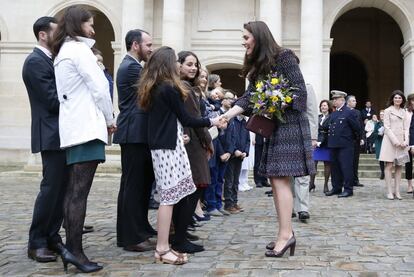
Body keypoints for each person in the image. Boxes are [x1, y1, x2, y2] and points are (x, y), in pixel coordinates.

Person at [223, 21, 314, 257]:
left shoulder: (284, 57)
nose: (243, 42)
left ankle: (286, 235)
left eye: (246, 37)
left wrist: (273, 101)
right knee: (275, 180)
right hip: (275, 126)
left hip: (290, 125)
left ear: (258, 36)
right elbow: (249, 97)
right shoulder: (258, 65)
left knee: (280, 179)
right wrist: (227, 115)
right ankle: (284, 233)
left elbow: (300, 93)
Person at [138, 46, 224, 265]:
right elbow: (187, 119)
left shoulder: (155, 86)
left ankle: (164, 246)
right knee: (168, 198)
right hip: (168, 148)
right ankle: (162, 248)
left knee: (172, 195)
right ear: (168, 64)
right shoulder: (168, 88)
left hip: (164, 145)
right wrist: (212, 121)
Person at [51, 5, 116, 273]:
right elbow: (100, 88)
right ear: (79, 25)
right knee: (79, 193)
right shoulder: (79, 51)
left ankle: (72, 249)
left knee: (73, 192)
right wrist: (110, 119)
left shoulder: (65, 51)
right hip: (86, 128)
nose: (93, 29)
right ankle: (75, 251)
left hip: (75, 128)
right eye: (90, 24)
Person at [22, 16, 67, 263]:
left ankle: (52, 236)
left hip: (61, 134)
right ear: (43, 35)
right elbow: (52, 100)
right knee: (50, 190)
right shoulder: (35, 62)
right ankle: (36, 241)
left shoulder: (51, 60)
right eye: (56, 32)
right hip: (50, 133)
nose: (60, 36)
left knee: (61, 190)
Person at [113, 29, 156, 252]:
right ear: (135, 45)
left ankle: (140, 228)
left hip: (140, 133)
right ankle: (130, 237)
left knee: (142, 186)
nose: (151, 48)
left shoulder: (136, 66)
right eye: (148, 45)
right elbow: (151, 94)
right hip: (133, 133)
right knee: (133, 187)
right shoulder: (130, 68)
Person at [173, 50, 213, 253]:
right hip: (192, 142)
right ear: (178, 65)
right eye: (189, 64)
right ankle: (179, 237)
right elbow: (196, 120)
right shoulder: (185, 89)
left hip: (189, 140)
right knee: (194, 188)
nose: (193, 68)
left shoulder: (186, 87)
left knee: (190, 190)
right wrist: (209, 142)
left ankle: (181, 231)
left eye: (195, 65)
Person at [325, 90, 361, 198]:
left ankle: (348, 189)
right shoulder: (334, 113)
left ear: (342, 100)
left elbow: (357, 128)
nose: (334, 101)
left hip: (345, 145)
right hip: (333, 144)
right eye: (333, 99)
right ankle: (336, 187)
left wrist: (351, 140)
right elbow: (327, 127)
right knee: (335, 168)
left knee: (346, 167)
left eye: (336, 99)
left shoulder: (349, 112)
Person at [293, 83, 318, 223]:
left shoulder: (306, 87)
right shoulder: (276, 85)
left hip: (303, 134)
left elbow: (312, 112)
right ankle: (288, 207)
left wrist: (313, 136)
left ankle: (303, 208)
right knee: (285, 175)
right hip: (283, 134)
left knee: (303, 173)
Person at [379, 90, 409, 200]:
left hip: (402, 142)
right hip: (390, 141)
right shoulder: (387, 111)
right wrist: (395, 141)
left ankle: (397, 191)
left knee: (399, 166)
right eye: (396, 98)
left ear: (402, 100)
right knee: (389, 165)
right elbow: (387, 127)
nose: (397, 100)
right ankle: (389, 191)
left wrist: (406, 141)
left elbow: (406, 128)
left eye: (400, 98)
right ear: (392, 99)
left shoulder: (404, 112)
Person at [223, 114, 250, 213]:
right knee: (229, 180)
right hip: (232, 155)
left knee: (236, 181)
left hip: (240, 156)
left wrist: (245, 152)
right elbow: (229, 138)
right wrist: (234, 150)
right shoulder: (232, 121)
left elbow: (248, 140)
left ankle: (234, 202)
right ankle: (228, 203)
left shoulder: (245, 122)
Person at [310, 100, 333, 193]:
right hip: (316, 143)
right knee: (313, 163)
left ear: (328, 107)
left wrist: (322, 141)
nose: (323, 107)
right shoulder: (317, 117)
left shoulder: (331, 117)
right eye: (322, 106)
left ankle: (326, 185)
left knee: (327, 164)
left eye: (325, 105)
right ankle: (311, 183)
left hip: (326, 143)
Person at [346, 95, 365, 187]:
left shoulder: (358, 112)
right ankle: (346, 180)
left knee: (355, 161)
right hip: (346, 140)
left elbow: (361, 126)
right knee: (346, 161)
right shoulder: (344, 111)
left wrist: (362, 138)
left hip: (356, 140)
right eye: (353, 101)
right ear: (348, 102)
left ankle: (355, 180)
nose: (355, 102)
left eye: (355, 100)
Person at [405, 94, 414, 194]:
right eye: (412, 100)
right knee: (408, 164)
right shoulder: (406, 112)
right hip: (407, 141)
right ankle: (409, 185)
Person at [372, 110, 385, 179]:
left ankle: (386, 171)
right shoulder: (377, 124)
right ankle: (382, 172)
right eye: (380, 114)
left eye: (383, 114)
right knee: (381, 158)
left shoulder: (388, 123)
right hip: (379, 142)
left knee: (387, 158)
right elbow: (374, 134)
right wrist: (379, 134)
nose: (381, 115)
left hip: (386, 141)